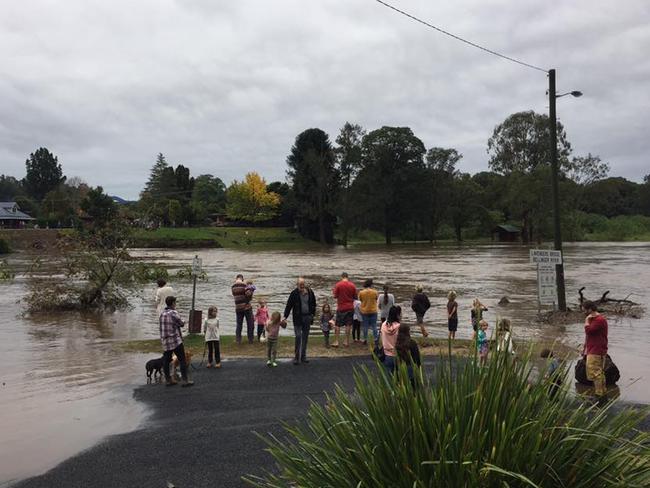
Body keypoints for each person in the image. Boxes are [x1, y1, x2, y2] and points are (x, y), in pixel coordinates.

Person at [159, 296, 193, 387]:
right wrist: (184, 321)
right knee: (182, 359)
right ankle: (185, 380)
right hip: (175, 340)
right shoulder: (173, 313)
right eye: (175, 303)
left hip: (165, 341)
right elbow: (181, 323)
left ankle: (168, 380)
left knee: (166, 360)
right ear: (173, 303)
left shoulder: (162, 313)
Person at [283, 277, 316, 365]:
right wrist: (285, 316)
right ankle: (296, 357)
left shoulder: (310, 292)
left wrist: (312, 314)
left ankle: (303, 356)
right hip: (297, 318)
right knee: (298, 336)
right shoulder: (294, 293)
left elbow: (313, 304)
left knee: (305, 337)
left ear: (304, 284)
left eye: (303, 284)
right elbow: (289, 305)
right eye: (300, 284)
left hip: (307, 318)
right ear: (297, 285)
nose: (301, 286)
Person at [583, 300, 609, 403]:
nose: (584, 312)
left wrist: (586, 321)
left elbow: (589, 331)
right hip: (594, 349)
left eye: (584, 310)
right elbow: (589, 336)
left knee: (595, 373)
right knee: (597, 373)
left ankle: (599, 396)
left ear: (590, 309)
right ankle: (601, 394)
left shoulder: (599, 320)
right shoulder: (596, 319)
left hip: (596, 350)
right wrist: (584, 349)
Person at [332, 272, 357, 347]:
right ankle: (346, 341)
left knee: (338, 324)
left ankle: (336, 341)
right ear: (347, 277)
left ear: (342, 277)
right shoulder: (352, 285)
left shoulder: (338, 284)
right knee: (348, 324)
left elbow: (335, 296)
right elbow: (355, 297)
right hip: (350, 307)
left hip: (341, 307)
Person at [232, 274, 254, 344]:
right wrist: (251, 290)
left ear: (236, 278)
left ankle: (238, 340)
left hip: (238, 307)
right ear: (242, 279)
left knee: (239, 324)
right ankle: (250, 339)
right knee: (250, 323)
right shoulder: (244, 285)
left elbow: (235, 295)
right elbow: (248, 294)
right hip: (246, 307)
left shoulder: (233, 287)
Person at [381, 305, 401, 374]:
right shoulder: (399, 327)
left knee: (388, 378)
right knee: (399, 377)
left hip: (386, 354)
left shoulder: (383, 325)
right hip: (397, 354)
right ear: (398, 315)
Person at [359, 279, 379, 345]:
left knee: (365, 326)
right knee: (374, 325)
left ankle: (365, 339)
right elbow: (376, 299)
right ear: (371, 284)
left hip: (364, 311)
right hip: (373, 310)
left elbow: (360, 300)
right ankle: (376, 339)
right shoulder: (375, 292)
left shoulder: (361, 292)